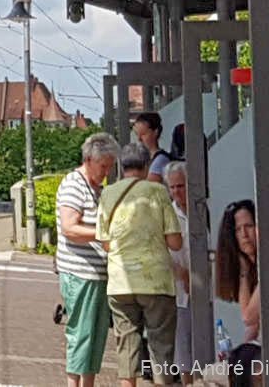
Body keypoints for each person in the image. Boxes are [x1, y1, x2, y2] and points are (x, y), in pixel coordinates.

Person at [97, 141, 183, 387]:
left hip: (120, 283)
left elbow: (105, 243)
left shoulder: (108, 194)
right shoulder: (157, 192)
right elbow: (175, 242)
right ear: (146, 166)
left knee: (126, 345)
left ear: (121, 167)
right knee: (160, 346)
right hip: (156, 283)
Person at [57, 132, 118, 387]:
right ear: (90, 160)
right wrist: (103, 234)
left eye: (109, 167)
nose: (106, 172)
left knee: (96, 336)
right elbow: (69, 227)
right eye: (103, 166)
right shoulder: (74, 184)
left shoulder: (97, 188)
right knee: (81, 334)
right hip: (80, 273)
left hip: (97, 274)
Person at [215, 199, 262, 385]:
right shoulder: (250, 268)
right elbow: (251, 327)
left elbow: (248, 316)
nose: (244, 235)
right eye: (237, 229)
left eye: (249, 226)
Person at [163, 162, 193, 384]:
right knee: (184, 352)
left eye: (180, 186)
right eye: (172, 187)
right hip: (180, 292)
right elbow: (161, 252)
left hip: (209, 291)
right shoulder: (167, 214)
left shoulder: (205, 209)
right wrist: (182, 273)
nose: (176, 192)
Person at [134, 112, 173, 183]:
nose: (139, 139)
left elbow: (148, 188)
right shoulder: (143, 159)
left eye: (143, 134)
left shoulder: (161, 159)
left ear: (155, 132)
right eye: (137, 134)